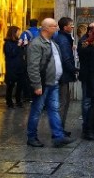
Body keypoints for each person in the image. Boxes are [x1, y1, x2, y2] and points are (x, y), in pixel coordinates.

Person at [26, 18, 75, 148]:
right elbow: (33, 66)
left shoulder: (53, 43)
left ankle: (58, 136)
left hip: (53, 83)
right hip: (43, 83)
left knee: (54, 109)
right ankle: (31, 136)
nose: (56, 28)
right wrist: (37, 85)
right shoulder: (37, 44)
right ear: (46, 28)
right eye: (54, 26)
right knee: (36, 110)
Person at [55, 17, 78, 135]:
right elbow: (66, 58)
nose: (73, 27)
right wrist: (74, 69)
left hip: (63, 74)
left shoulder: (64, 38)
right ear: (65, 27)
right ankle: (58, 131)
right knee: (63, 102)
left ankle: (60, 129)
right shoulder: (63, 40)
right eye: (71, 25)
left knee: (64, 101)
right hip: (63, 75)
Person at [78, 22, 94, 137]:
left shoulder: (89, 41)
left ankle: (90, 125)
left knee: (89, 101)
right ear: (90, 31)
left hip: (90, 74)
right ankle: (86, 127)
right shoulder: (84, 42)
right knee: (87, 101)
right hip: (87, 74)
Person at [3, 26, 25, 109]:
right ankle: (9, 101)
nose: (19, 34)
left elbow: (20, 53)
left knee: (20, 85)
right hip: (12, 67)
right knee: (11, 85)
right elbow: (11, 54)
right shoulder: (7, 43)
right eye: (18, 32)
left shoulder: (17, 42)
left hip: (20, 67)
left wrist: (23, 45)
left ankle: (18, 100)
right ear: (13, 32)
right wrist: (18, 46)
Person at [19, 19, 40, 100]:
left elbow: (20, 44)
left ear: (29, 24)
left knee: (27, 77)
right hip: (39, 57)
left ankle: (28, 95)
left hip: (29, 58)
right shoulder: (40, 32)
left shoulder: (25, 33)